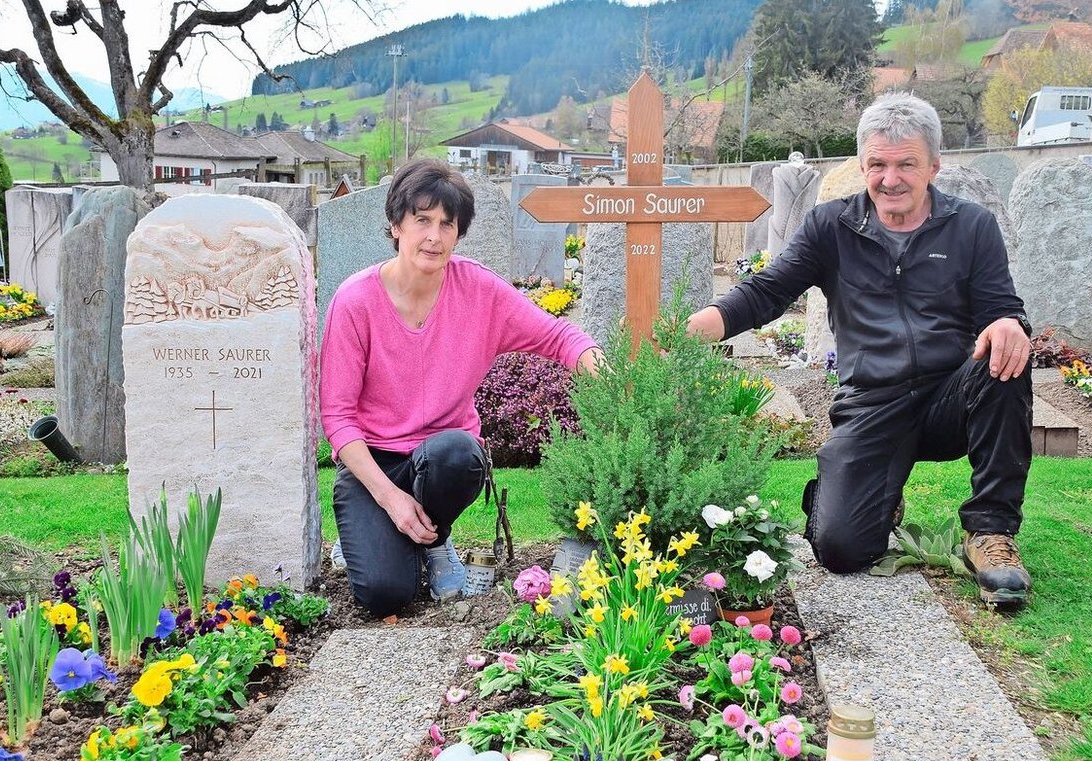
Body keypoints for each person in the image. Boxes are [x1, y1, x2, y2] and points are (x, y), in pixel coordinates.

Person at [686, 93, 1035, 609]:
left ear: (934, 166)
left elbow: (1000, 306)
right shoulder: (832, 226)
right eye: (878, 164)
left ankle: (990, 532)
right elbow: (767, 292)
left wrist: (1009, 323)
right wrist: (688, 332)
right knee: (841, 550)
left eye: (906, 164)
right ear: (862, 165)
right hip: (873, 403)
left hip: (949, 399)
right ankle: (874, 498)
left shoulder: (972, 227)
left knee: (1006, 356)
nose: (890, 179)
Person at [319, 159, 600, 617]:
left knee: (458, 454)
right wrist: (390, 501)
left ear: (458, 233)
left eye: (446, 225)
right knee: (386, 595)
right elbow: (337, 418)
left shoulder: (479, 292)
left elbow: (559, 336)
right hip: (373, 464)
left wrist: (597, 367)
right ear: (396, 225)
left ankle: (436, 540)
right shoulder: (355, 301)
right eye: (422, 220)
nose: (433, 236)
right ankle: (373, 541)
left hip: (440, 457)